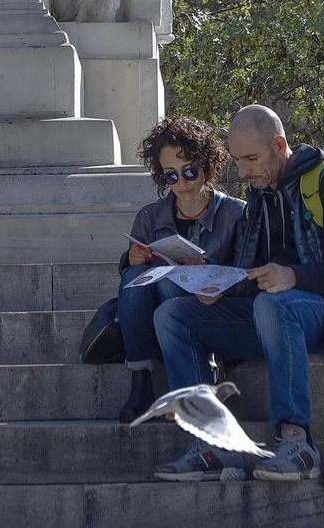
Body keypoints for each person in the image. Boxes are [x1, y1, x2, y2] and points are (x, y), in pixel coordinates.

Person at [153, 105, 324, 483]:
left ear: (280, 145)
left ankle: (298, 442)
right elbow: (255, 273)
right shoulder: (257, 195)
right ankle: (212, 445)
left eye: (251, 158)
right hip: (269, 312)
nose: (244, 171)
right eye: (238, 160)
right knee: (172, 315)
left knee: (274, 304)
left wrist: (294, 275)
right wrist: (217, 285)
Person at [117, 117, 245, 421]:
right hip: (157, 319)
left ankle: (200, 373)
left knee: (169, 283)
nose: (182, 183)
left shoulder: (235, 214)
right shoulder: (150, 217)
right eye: (171, 176)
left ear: (208, 166)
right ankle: (141, 380)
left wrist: (208, 273)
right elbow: (129, 280)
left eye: (190, 172)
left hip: (211, 313)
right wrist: (132, 259)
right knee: (136, 278)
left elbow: (247, 276)